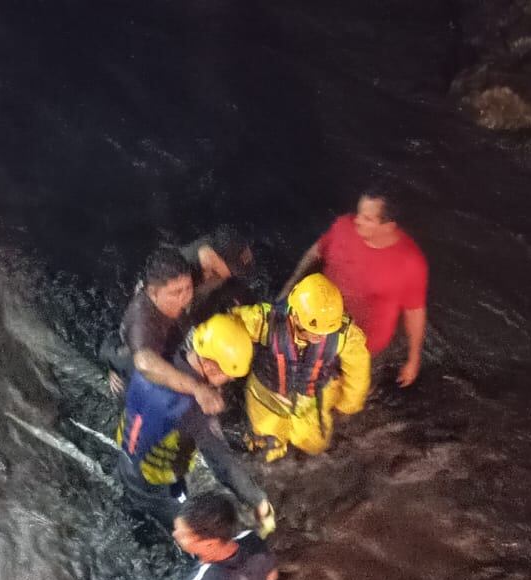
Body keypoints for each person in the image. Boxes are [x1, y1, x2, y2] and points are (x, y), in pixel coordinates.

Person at [116, 314, 275, 535]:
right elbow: (222, 462)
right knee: (191, 533)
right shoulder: (192, 408)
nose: (228, 382)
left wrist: (111, 370)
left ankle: (132, 511)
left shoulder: (158, 356)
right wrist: (258, 501)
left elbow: (121, 357)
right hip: (156, 486)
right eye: (228, 376)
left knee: (134, 502)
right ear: (210, 367)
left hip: (127, 458)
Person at [282, 189, 428, 387]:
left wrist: (413, 359)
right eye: (359, 213)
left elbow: (414, 312)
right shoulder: (344, 226)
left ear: (388, 226)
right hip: (318, 327)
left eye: (367, 218)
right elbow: (315, 252)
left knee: (350, 394)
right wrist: (290, 285)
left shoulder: (410, 263)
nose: (357, 220)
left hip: (364, 347)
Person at [228, 274, 370, 460]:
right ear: (294, 316)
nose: (320, 337)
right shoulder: (265, 322)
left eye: (326, 331)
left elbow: (358, 368)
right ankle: (270, 453)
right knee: (267, 447)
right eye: (313, 331)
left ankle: (304, 455)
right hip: (267, 398)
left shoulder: (345, 336)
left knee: (315, 444)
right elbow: (231, 326)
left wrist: (349, 404)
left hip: (311, 400)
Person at [102, 248, 223, 416]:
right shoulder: (141, 322)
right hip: (136, 360)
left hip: (171, 331)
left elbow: (206, 251)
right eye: (176, 293)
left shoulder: (180, 273)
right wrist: (197, 388)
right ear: (153, 293)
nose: (184, 297)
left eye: (187, 288)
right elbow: (145, 363)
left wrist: (225, 278)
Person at [180, 226, 257, 324]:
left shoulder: (222, 276)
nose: (229, 275)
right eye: (232, 270)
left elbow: (241, 291)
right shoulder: (178, 272)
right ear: (211, 255)